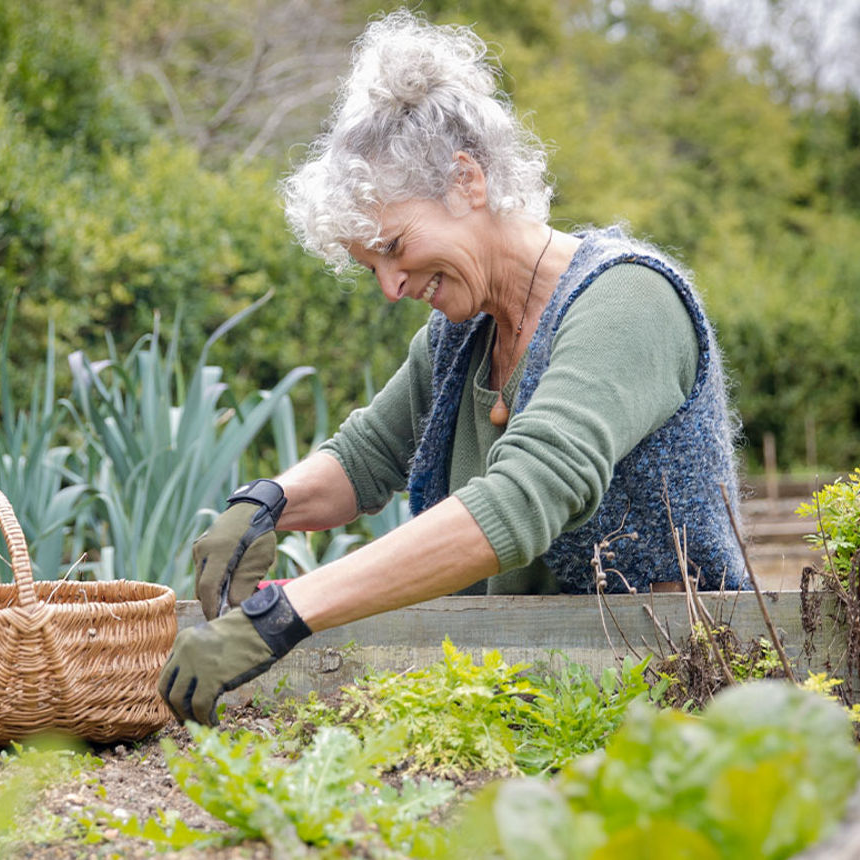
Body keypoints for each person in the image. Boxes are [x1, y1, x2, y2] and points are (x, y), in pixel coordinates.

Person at [158, 9, 746, 726]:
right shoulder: (460, 334)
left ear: (467, 182)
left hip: (670, 700)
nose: (390, 285)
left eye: (395, 246)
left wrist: (285, 614)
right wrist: (264, 505)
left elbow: (523, 497)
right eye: (369, 265)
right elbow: (367, 457)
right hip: (534, 693)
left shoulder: (629, 299)